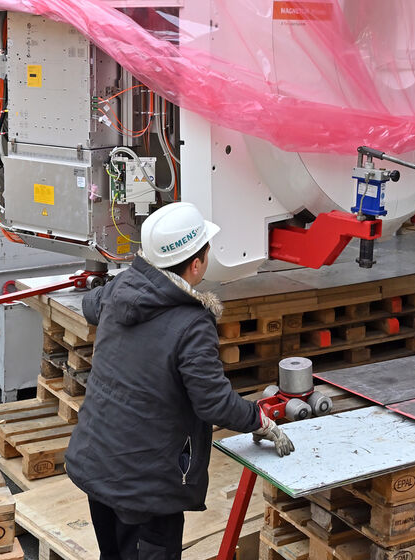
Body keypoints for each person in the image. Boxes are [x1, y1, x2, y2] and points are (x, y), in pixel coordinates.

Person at [65, 202, 295, 560]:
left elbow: (91, 304)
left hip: (97, 464)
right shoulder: (192, 324)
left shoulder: (120, 290)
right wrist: (259, 419)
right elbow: (213, 402)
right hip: (146, 486)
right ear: (196, 264)